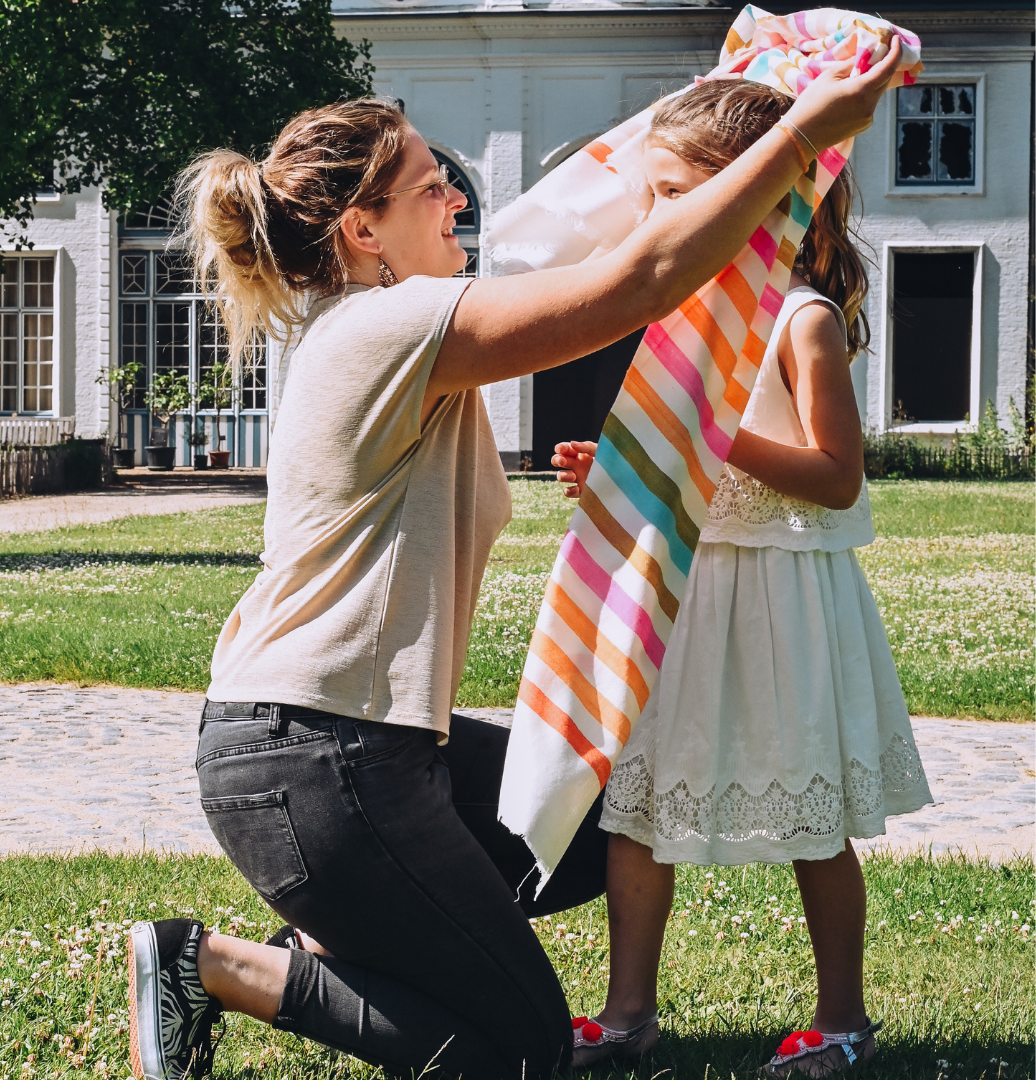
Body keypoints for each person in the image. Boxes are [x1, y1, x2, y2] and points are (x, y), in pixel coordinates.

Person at [125, 47, 904, 1080]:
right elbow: (638, 275)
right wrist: (799, 138)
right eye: (429, 182)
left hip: (366, 752)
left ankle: (349, 937)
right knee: (515, 1055)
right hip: (314, 756)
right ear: (364, 231)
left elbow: (598, 253)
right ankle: (208, 966)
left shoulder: (392, 325)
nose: (456, 193)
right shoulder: (393, 324)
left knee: (583, 818)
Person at [552, 80, 933, 1074]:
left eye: (672, 193)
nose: (652, 215)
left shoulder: (800, 319)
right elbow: (674, 456)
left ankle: (842, 1021)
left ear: (751, 194)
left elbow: (838, 479)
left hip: (778, 593)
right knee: (637, 805)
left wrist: (720, 444)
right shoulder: (676, 315)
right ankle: (627, 1012)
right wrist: (615, 474)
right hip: (675, 586)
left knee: (810, 814)